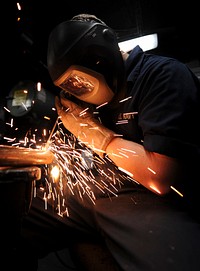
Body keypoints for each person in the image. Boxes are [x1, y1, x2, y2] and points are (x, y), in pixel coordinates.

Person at [18, 13, 200, 271]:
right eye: (69, 86)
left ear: (101, 58)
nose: (76, 90)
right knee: (18, 209)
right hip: (94, 193)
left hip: (153, 201)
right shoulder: (84, 99)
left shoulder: (162, 75)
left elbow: (162, 177)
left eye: (79, 81)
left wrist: (101, 138)